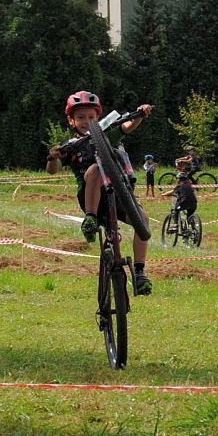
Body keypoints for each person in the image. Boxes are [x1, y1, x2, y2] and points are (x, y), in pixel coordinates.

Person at [47, 90, 155, 295]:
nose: (86, 121)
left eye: (91, 117)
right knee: (96, 169)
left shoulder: (106, 135)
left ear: (98, 118)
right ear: (71, 121)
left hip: (117, 193)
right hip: (91, 197)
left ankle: (140, 273)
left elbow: (126, 126)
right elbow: (53, 169)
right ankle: (91, 218)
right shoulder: (70, 147)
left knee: (143, 218)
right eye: (80, 117)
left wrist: (140, 114)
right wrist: (52, 157)